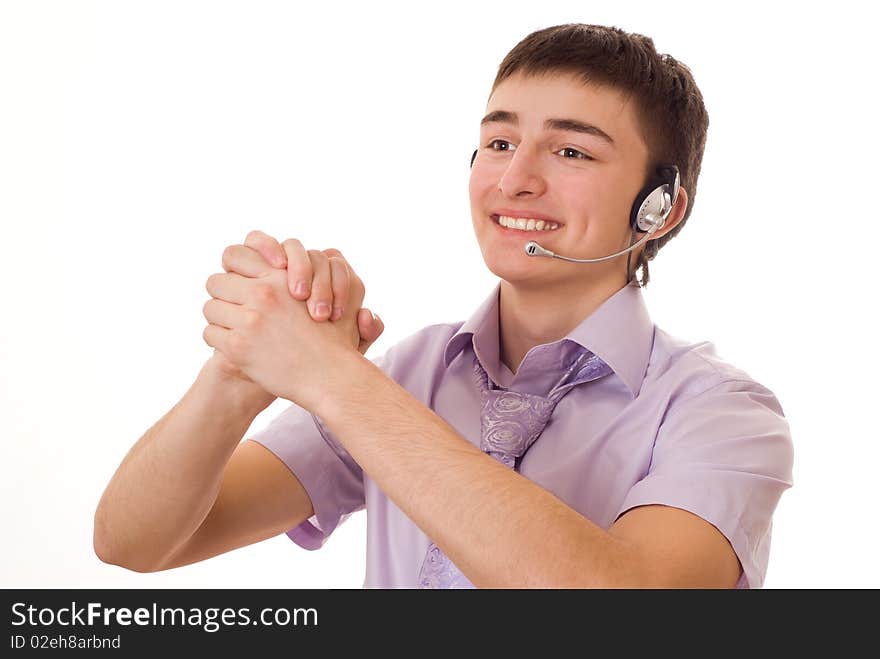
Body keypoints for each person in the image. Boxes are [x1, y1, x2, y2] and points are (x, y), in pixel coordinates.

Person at [94, 23, 793, 588]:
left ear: (660, 209)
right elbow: (133, 542)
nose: (515, 179)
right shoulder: (408, 374)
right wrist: (239, 375)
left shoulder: (724, 414)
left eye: (572, 152)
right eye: (498, 142)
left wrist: (332, 378)